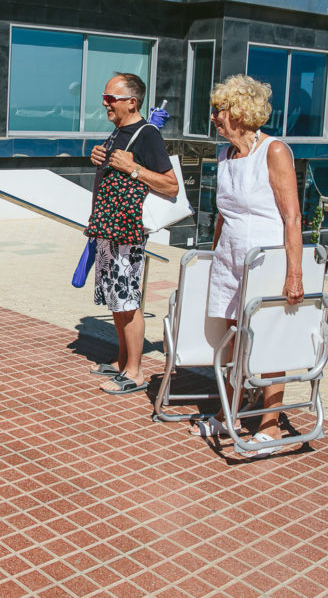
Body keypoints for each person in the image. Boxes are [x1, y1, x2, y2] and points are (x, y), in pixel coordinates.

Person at [189, 74, 303, 457]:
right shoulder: (225, 156)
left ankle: (270, 424)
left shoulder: (273, 151)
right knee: (235, 339)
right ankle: (233, 409)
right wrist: (214, 255)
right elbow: (223, 214)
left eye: (218, 111)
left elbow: (292, 217)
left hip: (264, 260)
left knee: (268, 340)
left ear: (238, 111)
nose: (214, 119)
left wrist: (294, 274)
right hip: (231, 260)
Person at [87, 73, 178, 394]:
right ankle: (123, 360)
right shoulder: (119, 132)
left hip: (127, 233)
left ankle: (136, 372)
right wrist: (99, 159)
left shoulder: (147, 134)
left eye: (111, 98)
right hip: (108, 229)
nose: (104, 103)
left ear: (132, 102)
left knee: (128, 300)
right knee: (116, 300)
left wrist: (132, 168)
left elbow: (170, 184)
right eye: (105, 96)